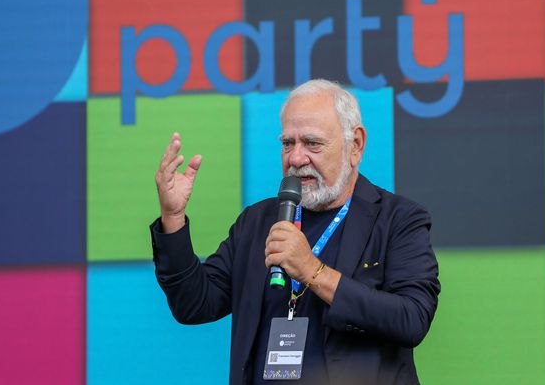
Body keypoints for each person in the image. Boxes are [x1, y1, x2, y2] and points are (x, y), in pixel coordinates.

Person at [150, 79, 440, 385]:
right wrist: (173, 216)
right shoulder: (257, 221)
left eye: (312, 143)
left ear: (355, 145)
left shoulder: (398, 219)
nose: (296, 159)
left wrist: (313, 271)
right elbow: (194, 304)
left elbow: (412, 319)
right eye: (288, 143)